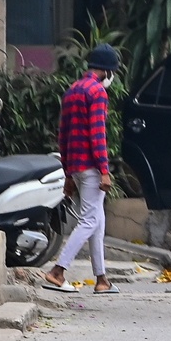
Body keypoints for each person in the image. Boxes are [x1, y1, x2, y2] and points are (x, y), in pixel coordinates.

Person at [41, 44, 119, 294]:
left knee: (97, 219)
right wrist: (104, 170)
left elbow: (62, 135)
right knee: (89, 220)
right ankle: (58, 271)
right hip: (91, 167)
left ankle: (101, 279)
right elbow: (98, 135)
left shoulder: (72, 90)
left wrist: (67, 174)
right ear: (106, 71)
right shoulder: (97, 93)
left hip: (75, 165)